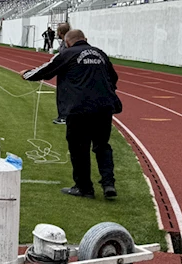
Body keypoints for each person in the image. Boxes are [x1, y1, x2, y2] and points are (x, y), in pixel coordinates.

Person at [19, 29, 121, 199]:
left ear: (67, 42)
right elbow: (114, 78)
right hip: (104, 107)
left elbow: (47, 70)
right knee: (102, 146)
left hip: (79, 108)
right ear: (85, 39)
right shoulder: (100, 54)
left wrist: (27, 74)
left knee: (79, 148)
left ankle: (84, 188)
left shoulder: (68, 53)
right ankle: (108, 183)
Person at [52, 22, 71, 125]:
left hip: (66, 73)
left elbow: (63, 56)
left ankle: (63, 116)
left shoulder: (67, 43)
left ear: (60, 32)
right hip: (67, 72)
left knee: (63, 95)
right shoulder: (66, 42)